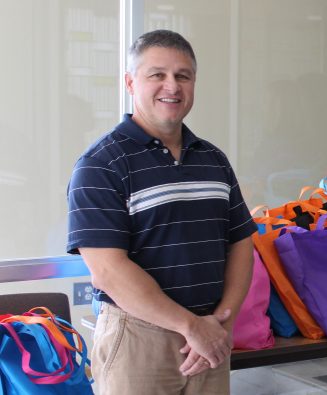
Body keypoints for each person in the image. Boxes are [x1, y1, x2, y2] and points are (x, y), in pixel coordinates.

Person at [67, 30, 257, 394]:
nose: (172, 85)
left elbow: (241, 242)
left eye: (183, 76)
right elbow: (108, 271)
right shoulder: (101, 164)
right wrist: (192, 327)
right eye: (157, 74)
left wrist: (222, 324)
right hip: (139, 339)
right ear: (129, 82)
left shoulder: (213, 160)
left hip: (210, 335)